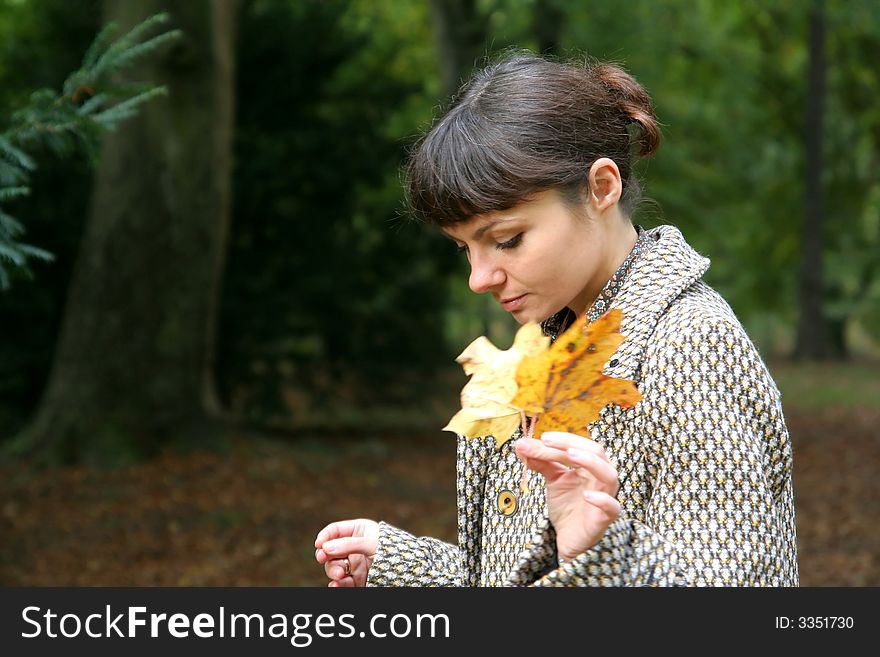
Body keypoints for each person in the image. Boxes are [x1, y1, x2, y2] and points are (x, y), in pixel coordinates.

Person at [314, 51, 799, 587]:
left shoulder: (691, 347)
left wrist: (602, 552)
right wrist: (405, 568)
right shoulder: (538, 353)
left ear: (601, 188)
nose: (480, 278)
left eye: (506, 240)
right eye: (464, 250)